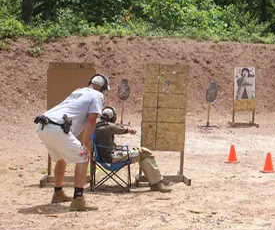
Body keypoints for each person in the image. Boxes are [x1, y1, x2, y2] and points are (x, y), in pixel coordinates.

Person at [35, 73, 110, 211]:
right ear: (103, 88)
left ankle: (58, 193)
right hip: (57, 128)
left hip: (42, 125)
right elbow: (91, 119)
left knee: (61, 159)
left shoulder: (78, 91)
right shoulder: (97, 95)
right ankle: (78, 200)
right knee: (83, 156)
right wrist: (85, 142)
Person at [94, 106, 172, 193]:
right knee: (143, 152)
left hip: (104, 158)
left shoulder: (96, 126)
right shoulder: (108, 126)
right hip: (111, 158)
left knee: (142, 153)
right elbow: (120, 129)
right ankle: (157, 183)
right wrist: (130, 130)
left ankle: (156, 181)